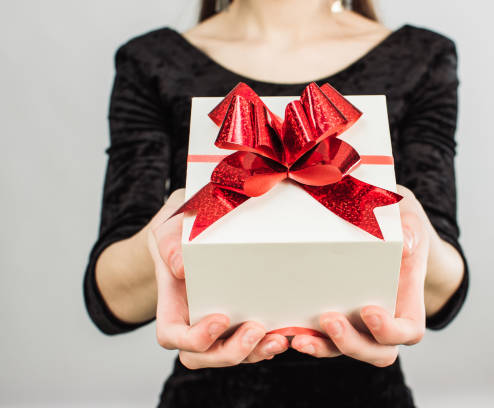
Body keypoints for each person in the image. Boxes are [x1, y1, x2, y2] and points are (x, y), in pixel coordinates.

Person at [83, 0, 469, 406]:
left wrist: (414, 233)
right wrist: (169, 232)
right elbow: (110, 300)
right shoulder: (151, 60)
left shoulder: (422, 57)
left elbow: (441, 298)